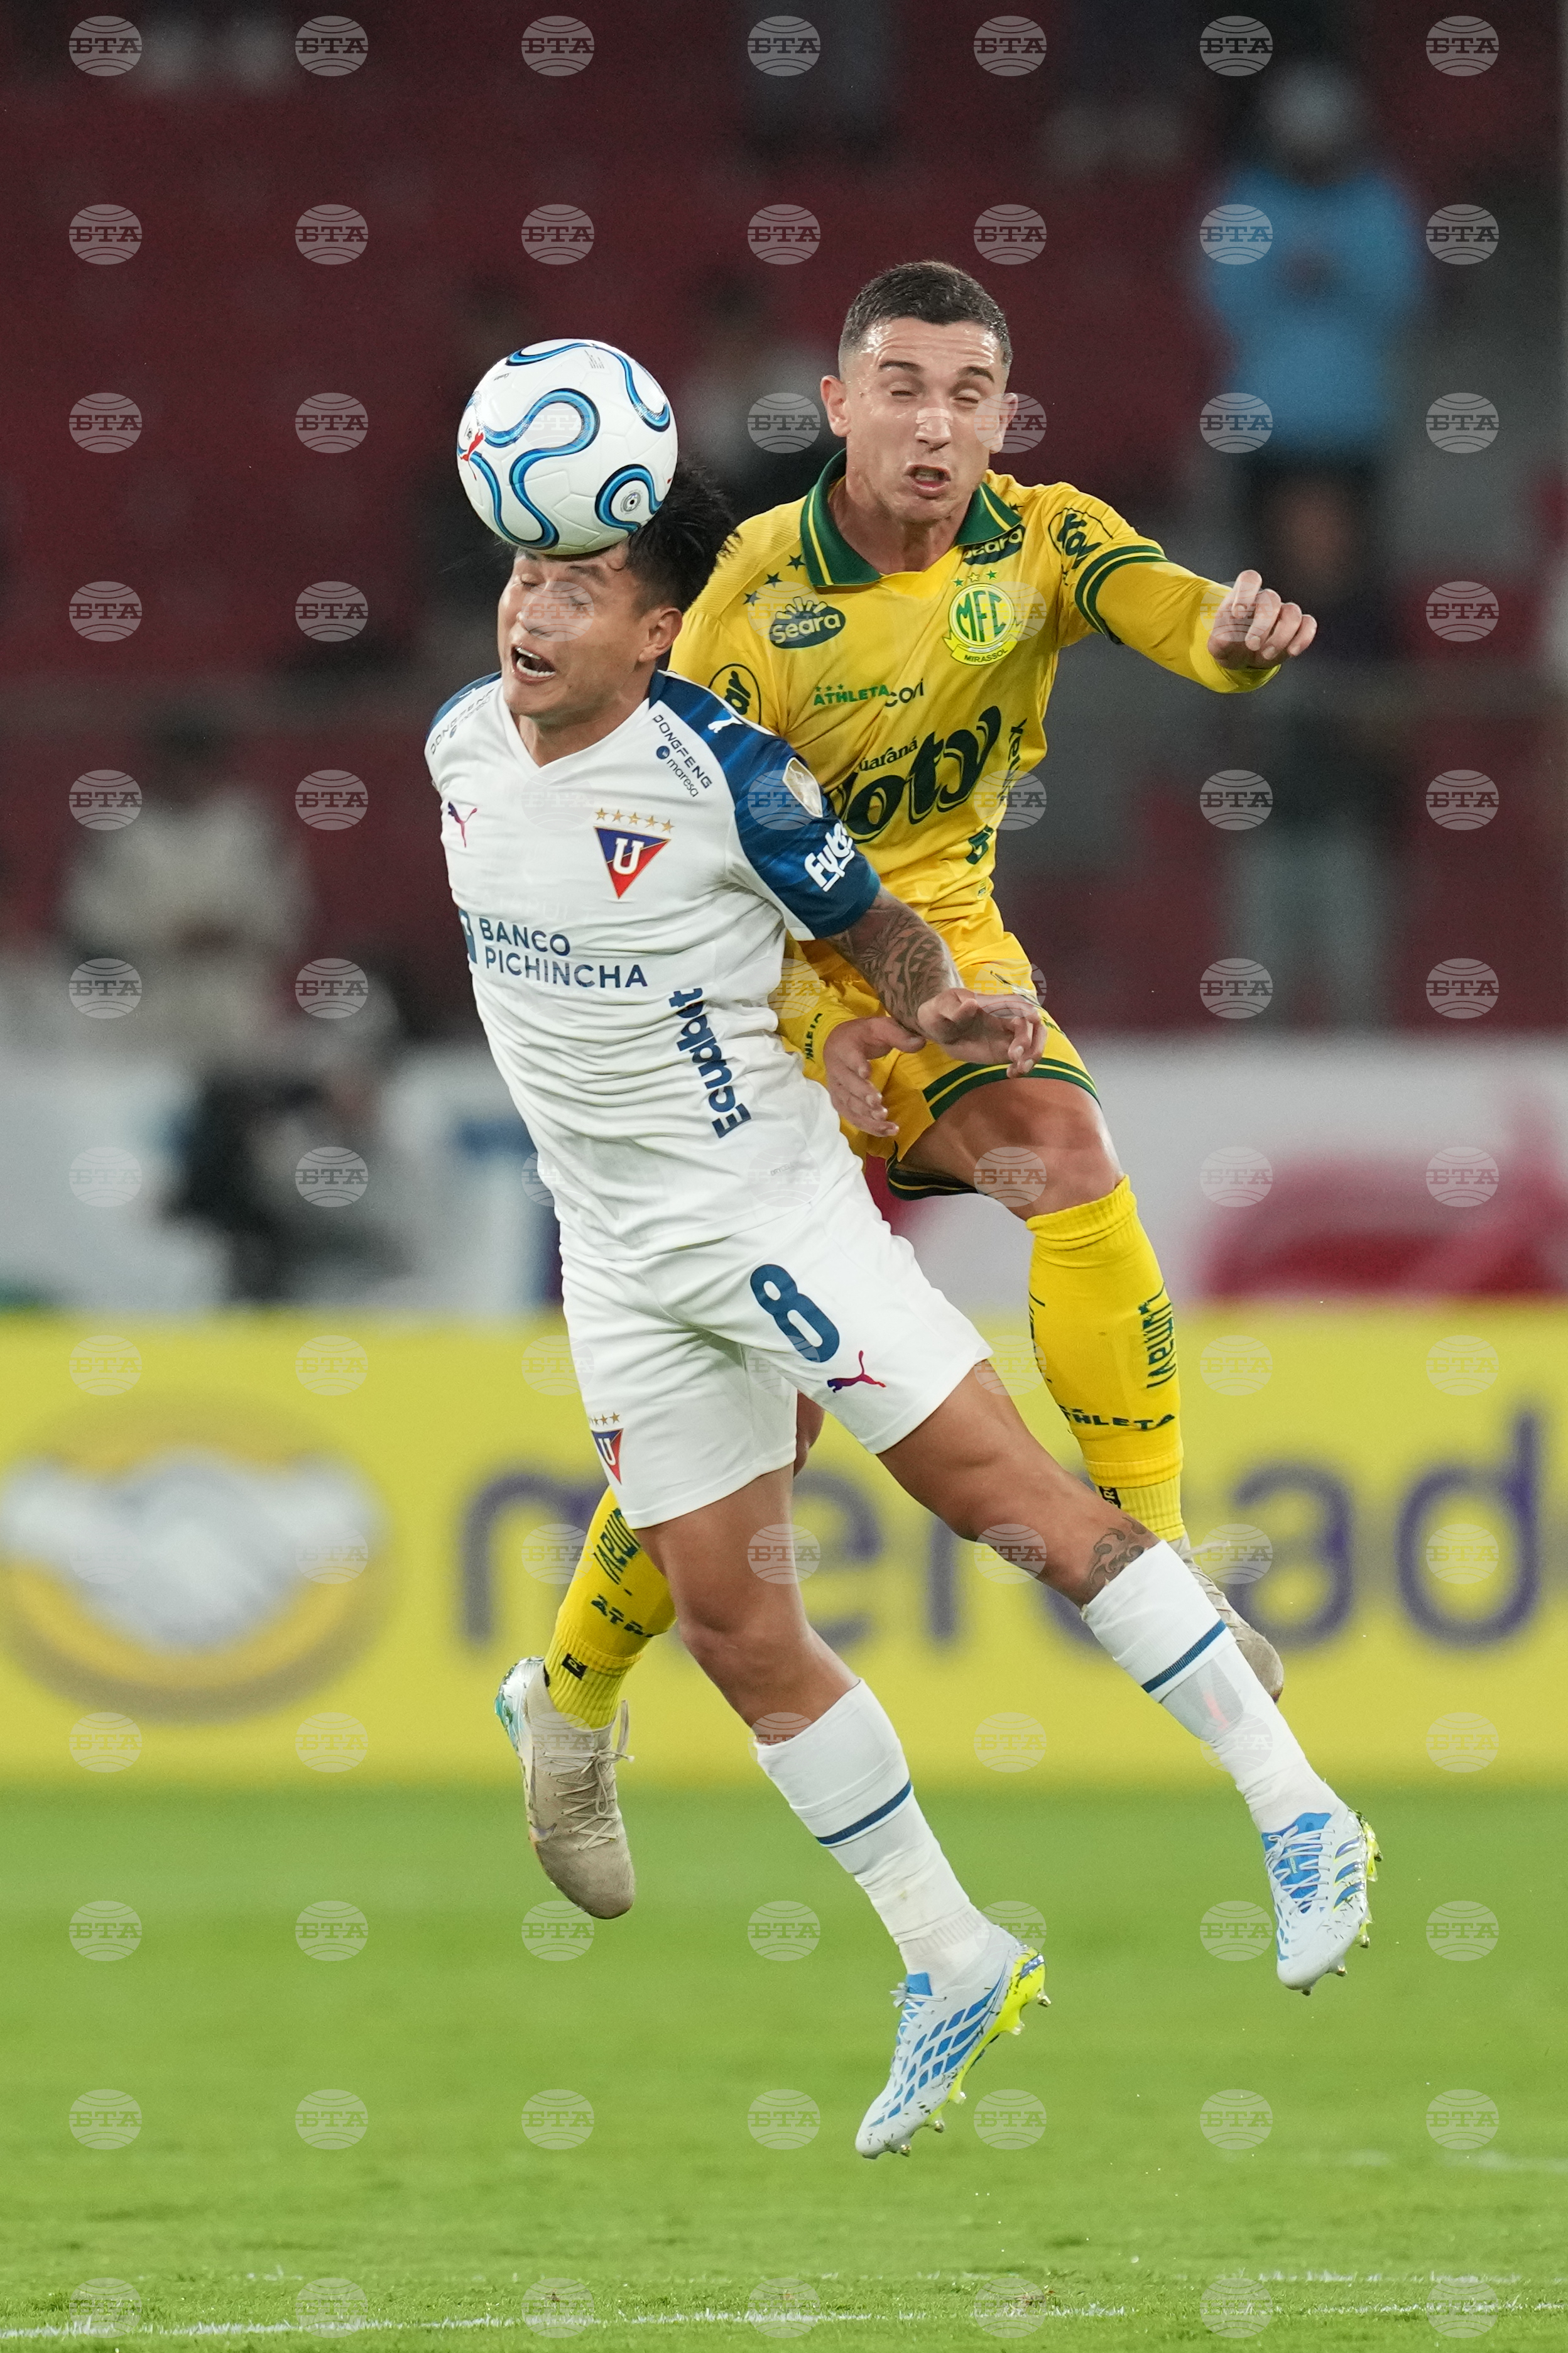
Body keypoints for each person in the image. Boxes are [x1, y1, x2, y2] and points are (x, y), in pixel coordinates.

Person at [427, 462, 1377, 2159]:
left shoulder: (725, 771)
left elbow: (869, 922)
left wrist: (951, 1012)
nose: (530, 610)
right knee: (734, 1628)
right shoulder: (456, 749)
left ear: (661, 634)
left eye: (576, 588)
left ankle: (1302, 1810)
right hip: (623, 1267)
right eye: (520, 576)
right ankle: (952, 1953)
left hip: (775, 1222)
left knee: (1016, 1508)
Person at [534, 259, 1317, 1908]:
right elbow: (664, 860)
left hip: (940, 961)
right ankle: (571, 1698)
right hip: (754, 992)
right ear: (836, 407)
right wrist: (814, 1029)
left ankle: (1156, 1549)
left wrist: (1237, 638)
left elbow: (1171, 609)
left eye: (970, 393)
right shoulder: (746, 601)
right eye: (901, 384)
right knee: (769, 1435)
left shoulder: (1041, 541)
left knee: (1069, 1154)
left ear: (1002, 417)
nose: (937, 422)